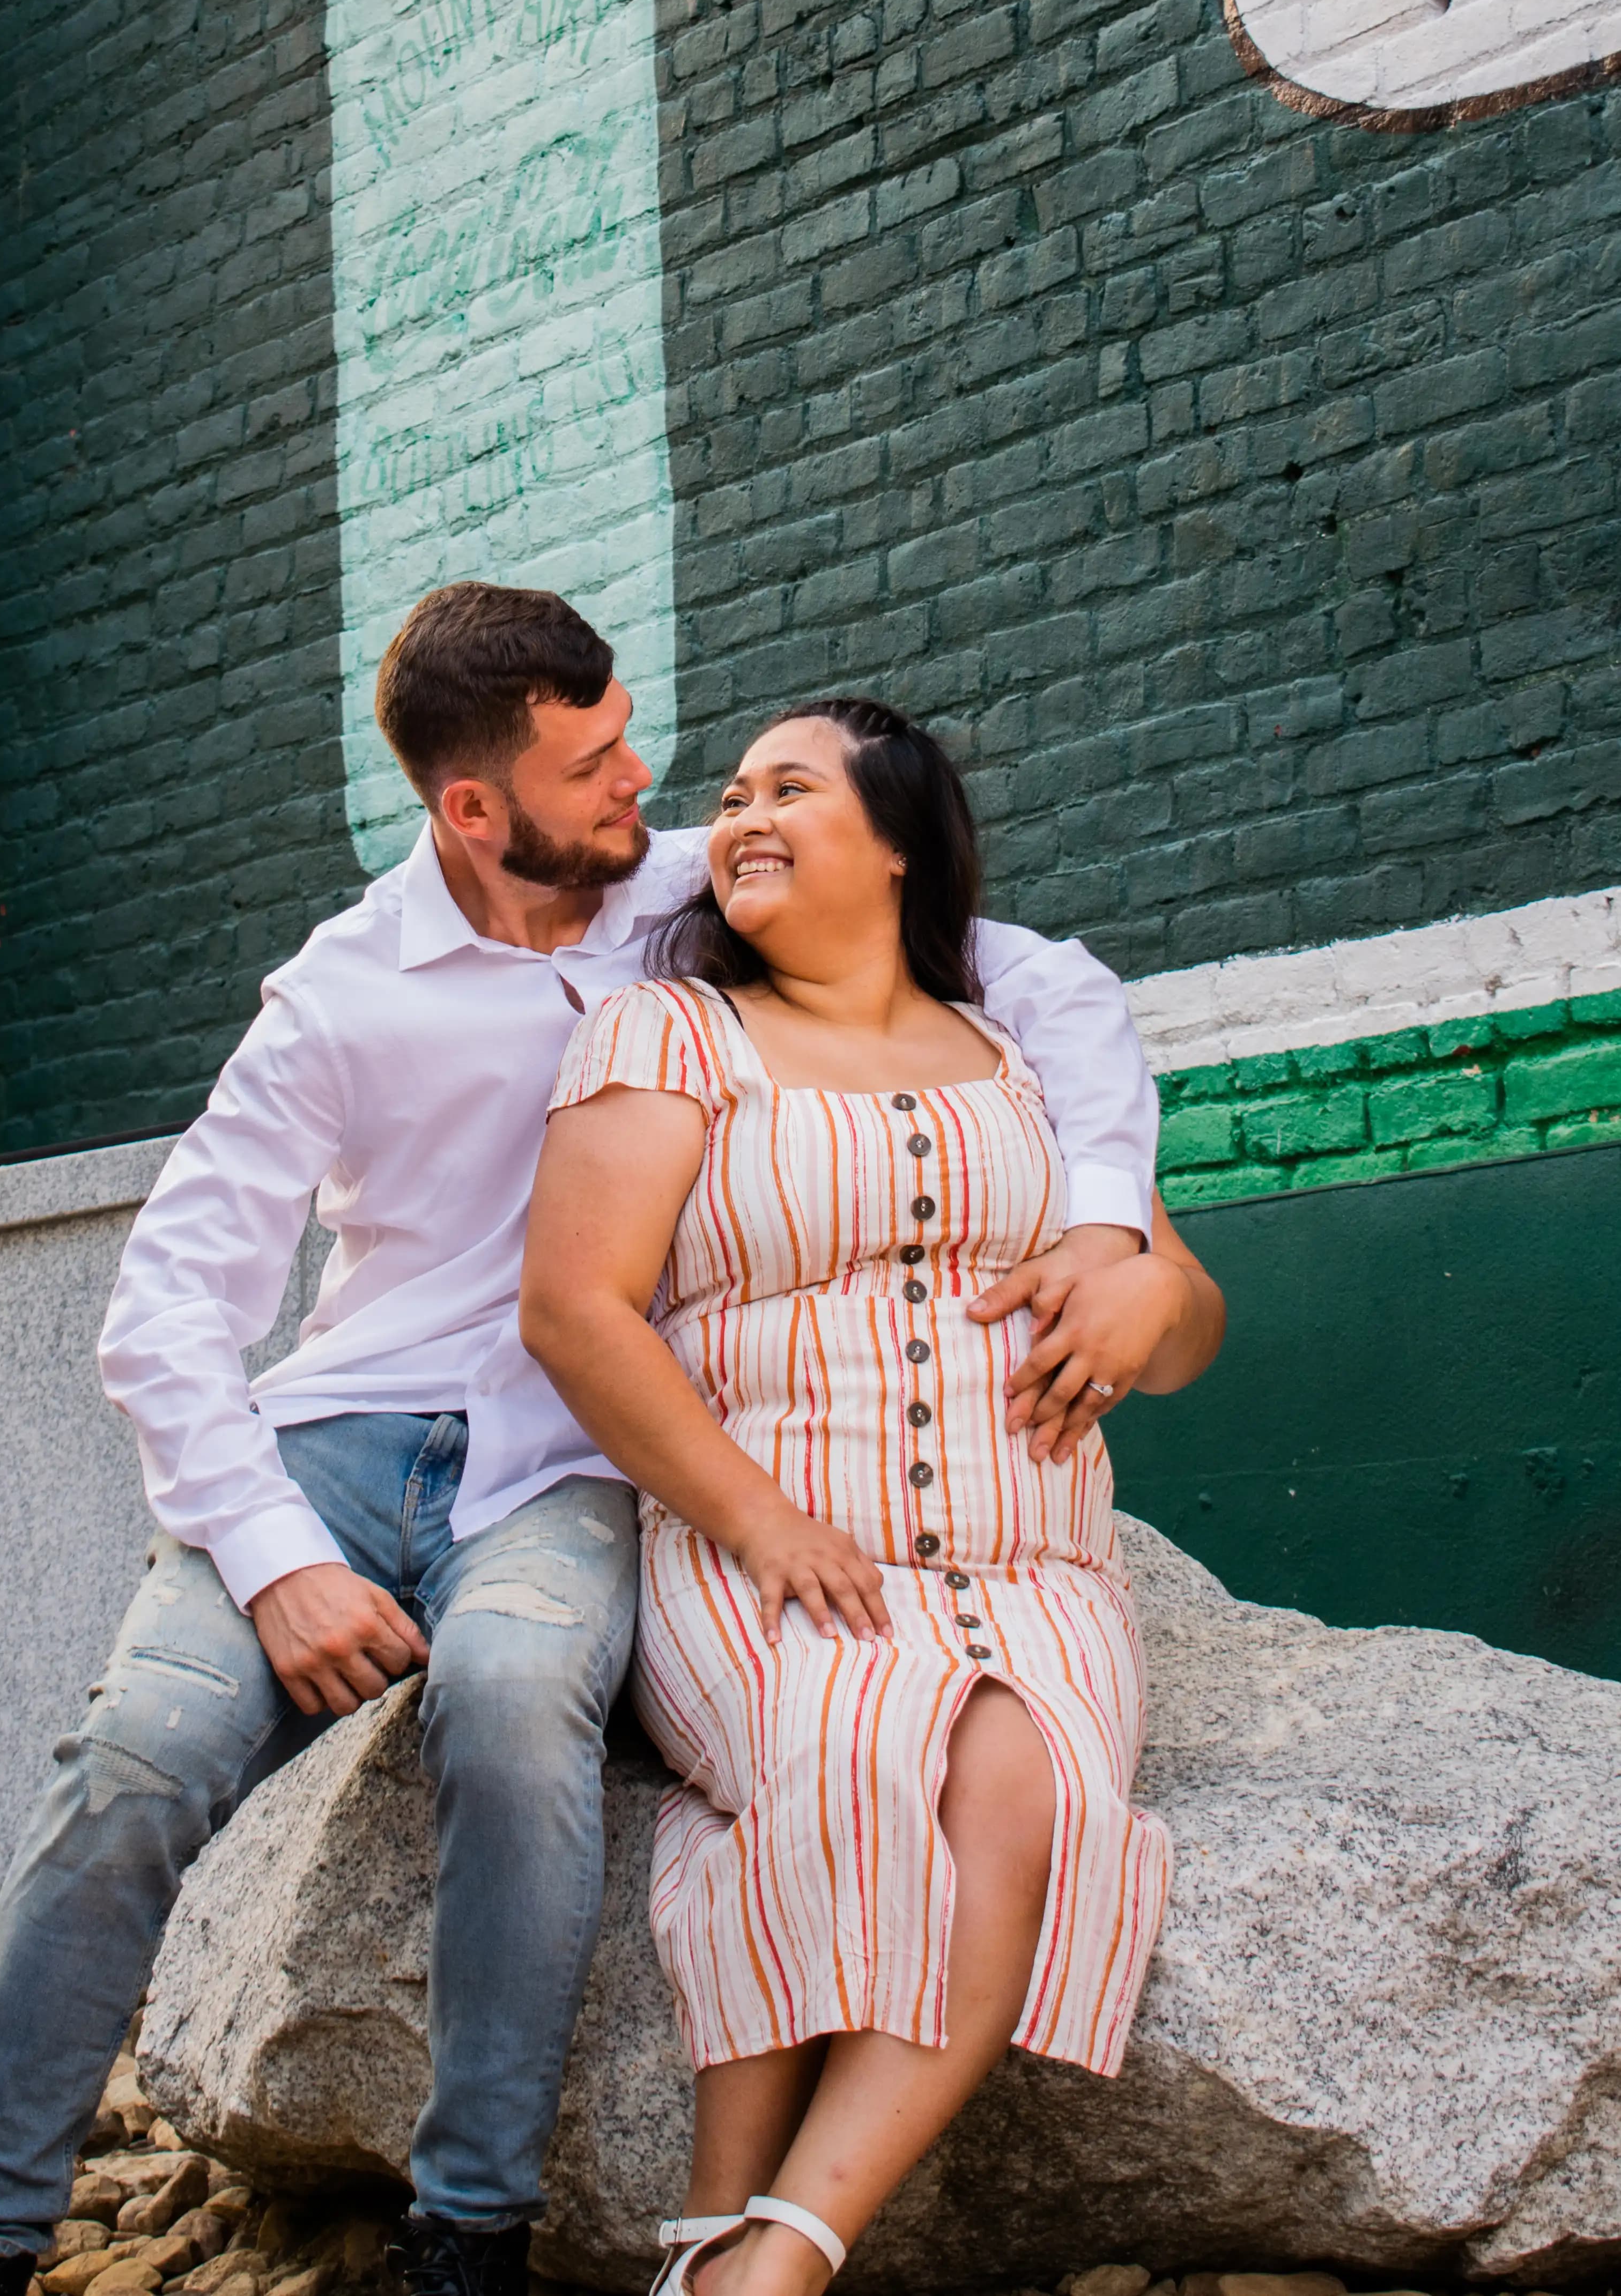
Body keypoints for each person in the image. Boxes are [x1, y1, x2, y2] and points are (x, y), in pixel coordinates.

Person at [0, 588, 1167, 2296]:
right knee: (136, 1753)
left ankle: (470, 2228)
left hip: (566, 1460)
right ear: (473, 808)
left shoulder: (683, 894)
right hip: (343, 1441)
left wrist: (1106, 1219)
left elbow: (1042, 983)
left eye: (632, 738)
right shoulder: (343, 996)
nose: (649, 780)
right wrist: (275, 1562)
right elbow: (168, 1305)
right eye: (595, 763)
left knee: (514, 1704)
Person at [520, 698, 1223, 2296]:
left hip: (1032, 1562)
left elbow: (1189, 1331)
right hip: (770, 1549)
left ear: (901, 843)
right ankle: (737, 2238)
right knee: (851, 1750)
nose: (740, 818)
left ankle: (775, 2252)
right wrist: (759, 1520)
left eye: (790, 788)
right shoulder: (668, 1035)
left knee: (1026, 1783)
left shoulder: (1024, 1063)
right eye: (732, 797)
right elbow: (573, 1309)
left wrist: (1151, 1294)